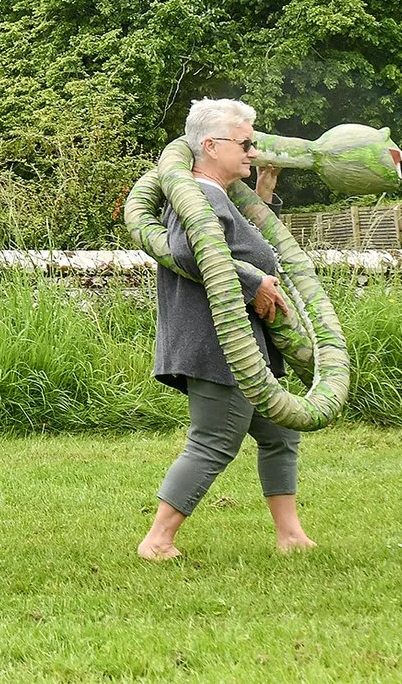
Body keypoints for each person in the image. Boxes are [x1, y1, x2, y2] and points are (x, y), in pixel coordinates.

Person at [136, 97, 316, 562]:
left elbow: (239, 243)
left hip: (239, 339)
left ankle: (291, 535)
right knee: (214, 440)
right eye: (245, 142)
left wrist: (265, 191)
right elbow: (190, 253)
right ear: (211, 146)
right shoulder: (193, 195)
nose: (253, 151)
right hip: (218, 341)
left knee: (279, 434)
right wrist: (255, 282)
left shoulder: (217, 195)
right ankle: (157, 540)